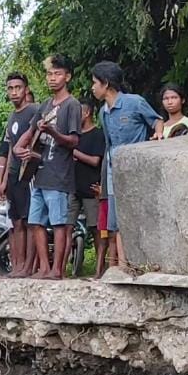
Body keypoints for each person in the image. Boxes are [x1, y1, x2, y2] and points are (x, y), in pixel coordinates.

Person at [15, 54, 81, 280]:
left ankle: (57, 270)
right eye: (50, 74)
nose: (52, 78)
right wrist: (19, 148)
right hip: (39, 174)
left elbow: (74, 141)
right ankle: (43, 267)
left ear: (67, 76)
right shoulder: (44, 105)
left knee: (59, 223)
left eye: (57, 74)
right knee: (35, 222)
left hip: (59, 174)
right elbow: (30, 132)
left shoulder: (72, 105)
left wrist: (53, 132)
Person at [91, 61, 159, 269]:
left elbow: (157, 121)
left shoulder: (135, 102)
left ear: (106, 84)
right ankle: (122, 265)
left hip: (136, 170)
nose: (92, 88)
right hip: (114, 171)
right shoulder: (103, 112)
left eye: (95, 83)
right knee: (116, 219)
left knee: (138, 214)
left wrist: (157, 135)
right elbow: (109, 145)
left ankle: (144, 262)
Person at [0, 73, 39, 277]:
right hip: (13, 175)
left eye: (18, 88)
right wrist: (2, 181)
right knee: (17, 222)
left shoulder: (34, 111)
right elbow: (10, 150)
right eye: (10, 88)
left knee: (30, 220)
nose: (14, 92)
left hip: (29, 174)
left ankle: (29, 266)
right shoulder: (11, 117)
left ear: (26, 89)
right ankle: (18, 265)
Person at [69, 99, 104, 276]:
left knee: (95, 228)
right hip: (72, 187)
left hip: (91, 187)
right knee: (66, 226)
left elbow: (95, 160)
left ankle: (100, 269)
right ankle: (60, 269)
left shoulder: (97, 135)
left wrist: (75, 153)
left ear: (87, 112)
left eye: (78, 112)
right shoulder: (73, 135)